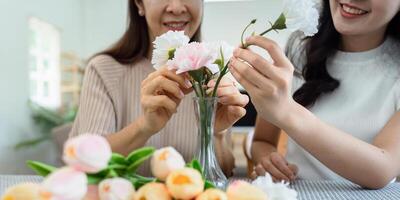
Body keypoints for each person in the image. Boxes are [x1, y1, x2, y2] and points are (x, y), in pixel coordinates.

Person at [230, 0, 400, 189]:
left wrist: (287, 112)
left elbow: (381, 169)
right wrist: (268, 160)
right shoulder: (300, 49)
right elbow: (262, 141)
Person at [70, 0, 249, 177]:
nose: (177, 7)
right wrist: (144, 126)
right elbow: (84, 164)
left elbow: (225, 171)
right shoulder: (103, 71)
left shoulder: (214, 73)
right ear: (139, 4)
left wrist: (214, 134)